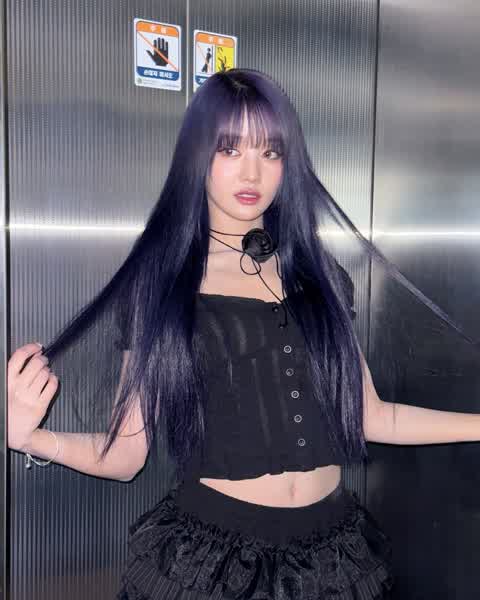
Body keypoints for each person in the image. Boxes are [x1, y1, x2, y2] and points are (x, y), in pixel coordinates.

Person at [7, 68, 480, 599]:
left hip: (334, 556)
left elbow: (371, 415)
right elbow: (125, 457)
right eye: (230, 149)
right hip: (217, 563)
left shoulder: (320, 274)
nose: (252, 171)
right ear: (197, 156)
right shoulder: (161, 286)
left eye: (270, 152)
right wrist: (28, 437)